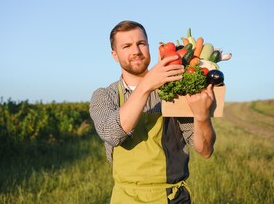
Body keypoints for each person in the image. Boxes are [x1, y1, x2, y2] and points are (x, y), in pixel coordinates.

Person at [89, 20, 216, 204]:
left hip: (172, 198)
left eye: (141, 44)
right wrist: (147, 84)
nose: (136, 51)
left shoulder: (175, 91)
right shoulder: (104, 96)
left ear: (148, 47)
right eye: (126, 46)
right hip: (126, 198)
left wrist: (202, 117)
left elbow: (205, 151)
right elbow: (112, 134)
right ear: (114, 55)